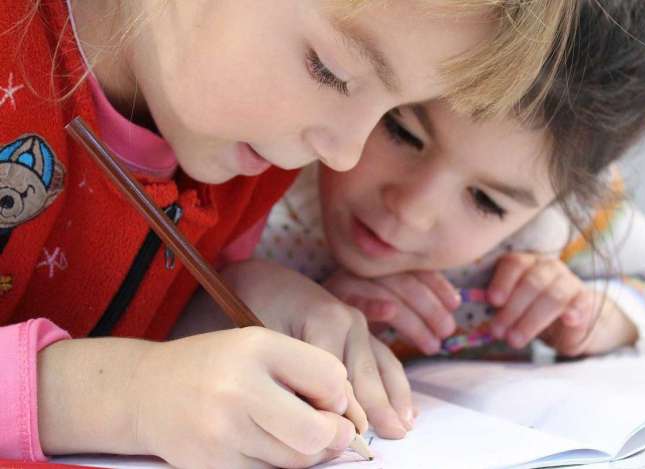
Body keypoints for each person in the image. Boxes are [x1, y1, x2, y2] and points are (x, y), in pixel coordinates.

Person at [0, 0, 574, 467]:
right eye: (333, 71)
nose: (345, 155)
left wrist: (230, 302)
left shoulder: (248, 155)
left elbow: (115, 317)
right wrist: (126, 398)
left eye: (393, 110)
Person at [248, 0, 645, 359]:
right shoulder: (263, 171)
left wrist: (596, 317)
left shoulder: (557, 228)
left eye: (486, 201)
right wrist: (289, 307)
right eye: (402, 132)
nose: (411, 209)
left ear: (560, 201)